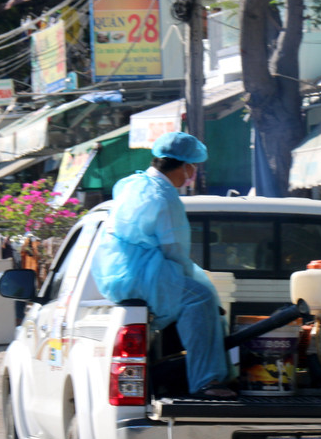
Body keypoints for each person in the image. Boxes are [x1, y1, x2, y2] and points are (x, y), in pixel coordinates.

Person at [91, 132, 235, 398]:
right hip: (144, 275)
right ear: (185, 165)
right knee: (201, 298)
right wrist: (204, 284)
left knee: (194, 294)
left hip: (116, 274)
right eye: (192, 169)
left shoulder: (132, 184)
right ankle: (207, 382)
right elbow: (176, 252)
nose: (190, 176)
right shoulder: (165, 197)